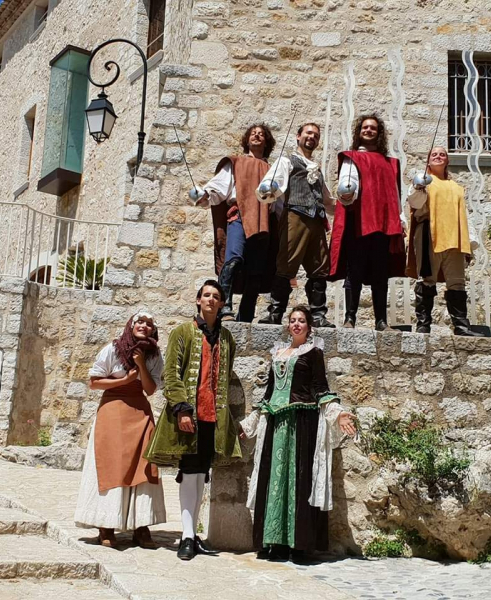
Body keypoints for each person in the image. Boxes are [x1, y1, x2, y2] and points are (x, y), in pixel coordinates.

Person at [240, 306, 357, 562]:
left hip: (301, 423)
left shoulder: (314, 352)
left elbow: (320, 388)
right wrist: (249, 424)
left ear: (308, 326)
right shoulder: (277, 353)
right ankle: (275, 542)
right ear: (287, 326)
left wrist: (338, 413)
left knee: (299, 479)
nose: (296, 324)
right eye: (292, 320)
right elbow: (268, 393)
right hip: (275, 424)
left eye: (301, 320)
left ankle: (298, 545)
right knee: (273, 480)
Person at [144, 280, 242, 561]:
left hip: (213, 417)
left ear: (221, 303)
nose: (211, 300)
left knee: (201, 473)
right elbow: (171, 374)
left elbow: (224, 377)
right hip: (189, 415)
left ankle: (193, 534)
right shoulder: (182, 332)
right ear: (198, 300)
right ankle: (186, 535)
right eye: (206, 295)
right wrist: (182, 409)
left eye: (216, 296)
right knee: (189, 473)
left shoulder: (227, 339)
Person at [74, 310, 166, 549]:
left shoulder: (154, 355)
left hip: (139, 413)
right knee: (111, 464)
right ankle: (106, 524)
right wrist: (124, 381)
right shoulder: (113, 349)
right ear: (131, 325)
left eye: (149, 323)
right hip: (113, 410)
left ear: (153, 330)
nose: (144, 326)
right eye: (140, 322)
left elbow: (150, 389)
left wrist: (140, 365)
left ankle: (141, 526)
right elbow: (94, 382)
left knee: (144, 465)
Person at [193, 124, 278, 322]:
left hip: (263, 221)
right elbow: (219, 187)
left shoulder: (272, 170)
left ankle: (246, 315)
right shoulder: (236, 162)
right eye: (253, 133)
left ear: (267, 142)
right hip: (238, 217)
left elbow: (279, 202)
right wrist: (206, 194)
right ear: (247, 139)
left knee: (256, 271)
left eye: (261, 134)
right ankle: (225, 308)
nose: (257, 136)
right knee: (233, 260)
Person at [329, 114, 407, 331]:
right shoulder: (352, 157)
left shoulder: (390, 163)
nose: (369, 130)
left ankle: (381, 321)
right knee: (354, 270)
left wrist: (400, 220)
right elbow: (347, 183)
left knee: (380, 273)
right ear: (359, 131)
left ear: (379, 133)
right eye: (365, 127)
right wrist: (346, 194)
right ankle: (350, 318)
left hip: (383, 224)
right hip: (360, 222)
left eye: (373, 128)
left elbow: (395, 195)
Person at [256, 122, 336, 328]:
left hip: (317, 220)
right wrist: (269, 189)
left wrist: (348, 204)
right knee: (286, 263)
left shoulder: (316, 169)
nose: (312, 137)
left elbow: (327, 200)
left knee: (319, 269)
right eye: (308, 133)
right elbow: (272, 184)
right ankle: (275, 313)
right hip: (295, 216)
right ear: (298, 136)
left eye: (316, 135)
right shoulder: (287, 161)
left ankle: (318, 315)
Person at [406, 146, 482, 336]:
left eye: (442, 154)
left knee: (457, 282)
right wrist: (418, 187)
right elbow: (415, 203)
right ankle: (423, 325)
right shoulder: (423, 181)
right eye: (434, 154)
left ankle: (461, 326)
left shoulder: (456, 187)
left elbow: (463, 214)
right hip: (429, 236)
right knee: (428, 279)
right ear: (428, 160)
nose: (438, 157)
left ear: (447, 160)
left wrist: (469, 242)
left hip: (454, 237)